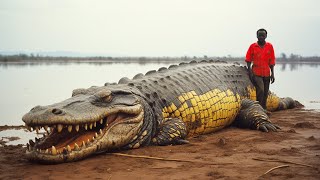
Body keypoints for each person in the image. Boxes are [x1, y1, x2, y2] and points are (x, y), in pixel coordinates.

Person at [245, 28, 275, 110]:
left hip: (266, 73)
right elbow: (248, 59)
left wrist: (273, 74)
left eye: (263, 35)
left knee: (266, 92)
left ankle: (263, 109)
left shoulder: (270, 46)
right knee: (260, 91)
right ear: (257, 36)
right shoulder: (253, 46)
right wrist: (249, 71)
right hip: (256, 73)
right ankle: (259, 109)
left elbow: (272, 61)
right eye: (259, 35)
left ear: (266, 36)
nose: (261, 37)